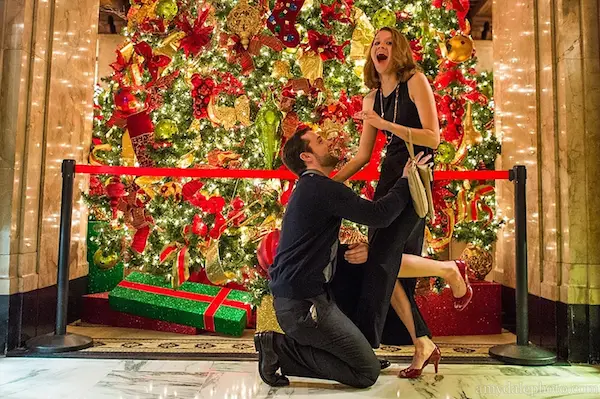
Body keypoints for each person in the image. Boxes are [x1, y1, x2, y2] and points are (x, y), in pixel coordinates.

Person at [335, 27, 473, 378]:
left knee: (381, 260)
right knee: (385, 267)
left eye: (387, 43)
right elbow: (364, 156)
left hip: (416, 176)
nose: (380, 48)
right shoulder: (372, 98)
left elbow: (433, 137)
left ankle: (448, 270)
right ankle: (423, 342)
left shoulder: (415, 81)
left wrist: (383, 123)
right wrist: (325, 185)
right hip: (388, 180)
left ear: (398, 52)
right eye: (375, 44)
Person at [254, 126, 428, 388]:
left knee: (358, 277)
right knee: (366, 374)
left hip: (304, 299)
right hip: (303, 306)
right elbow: (379, 215)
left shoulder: (310, 188)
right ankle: (279, 348)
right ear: (307, 157)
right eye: (320, 141)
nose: (329, 144)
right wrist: (405, 180)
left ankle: (348, 354)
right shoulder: (321, 188)